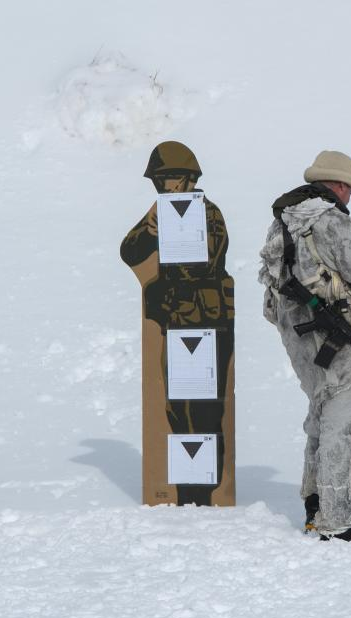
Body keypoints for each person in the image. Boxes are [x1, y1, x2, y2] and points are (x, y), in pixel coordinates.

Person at [259, 150, 351, 541]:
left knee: (321, 414)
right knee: (342, 427)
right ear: (337, 185)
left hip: (300, 340)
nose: (350, 196)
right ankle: (336, 520)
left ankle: (314, 503)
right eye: (349, 188)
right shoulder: (334, 223)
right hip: (343, 340)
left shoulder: (282, 223)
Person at [121, 141, 234, 506]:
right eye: (161, 180)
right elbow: (128, 251)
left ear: (188, 179)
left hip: (206, 326)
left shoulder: (208, 214)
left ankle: (205, 492)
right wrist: (151, 229)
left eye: (170, 178)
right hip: (177, 325)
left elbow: (204, 264)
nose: (165, 187)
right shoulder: (161, 213)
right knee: (178, 409)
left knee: (206, 411)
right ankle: (189, 491)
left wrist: (176, 228)